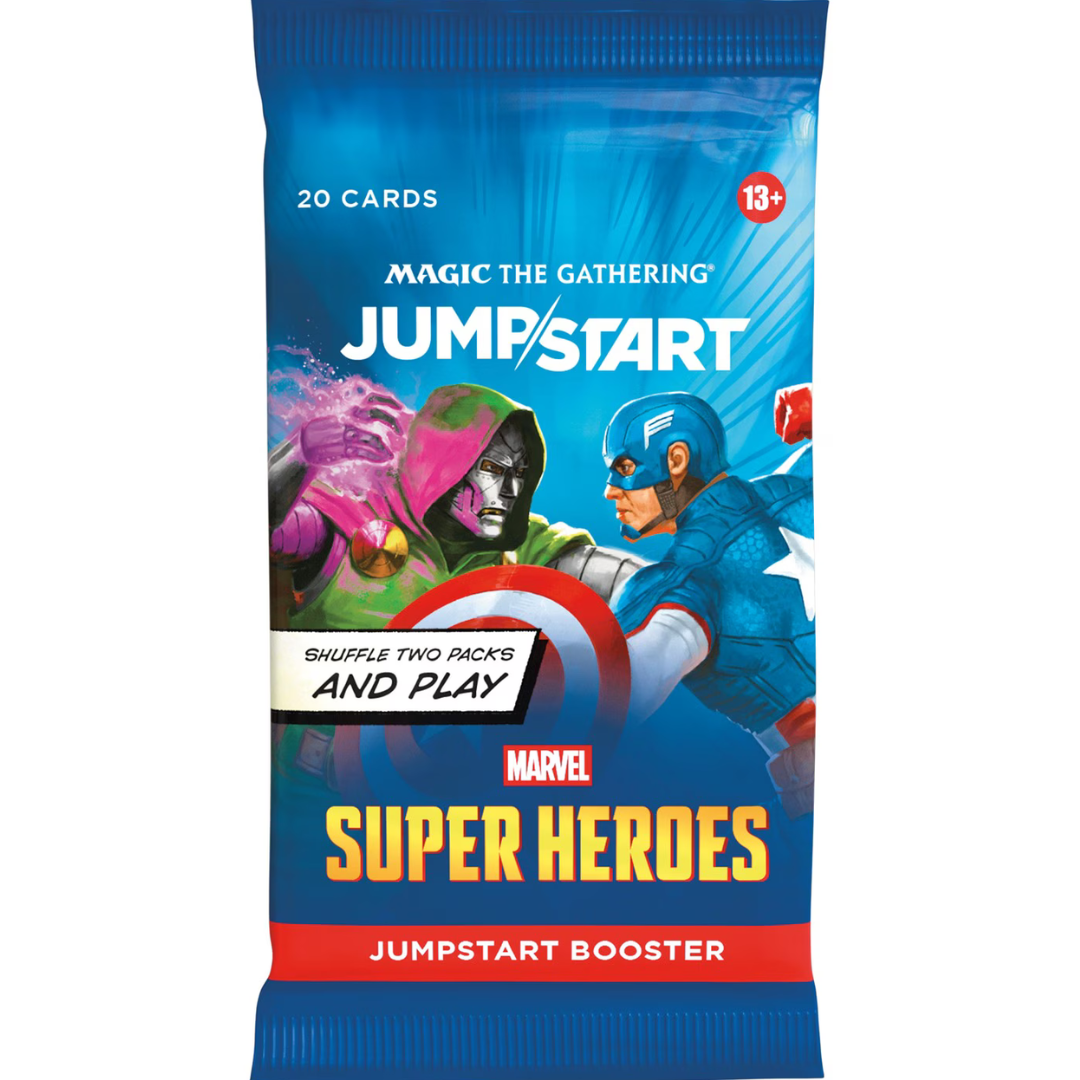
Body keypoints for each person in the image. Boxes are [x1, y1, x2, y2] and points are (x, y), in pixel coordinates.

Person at [602, 385, 816, 817]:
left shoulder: (685, 581)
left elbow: (616, 696)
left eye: (624, 467)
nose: (611, 490)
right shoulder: (803, 485)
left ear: (676, 460)